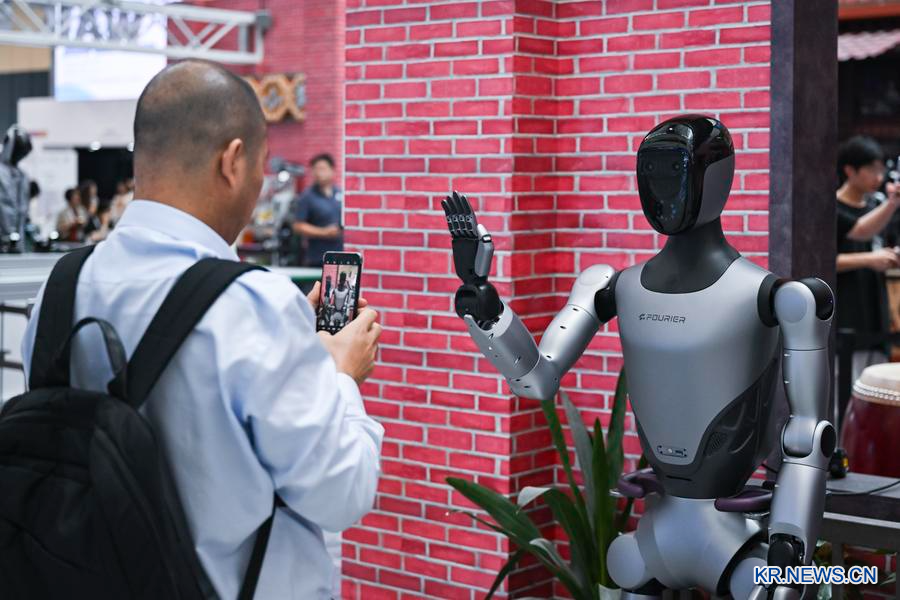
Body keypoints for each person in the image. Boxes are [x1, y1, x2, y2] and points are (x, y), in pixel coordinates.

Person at [22, 60, 383, 600]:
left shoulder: (60, 287)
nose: (261, 184)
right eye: (261, 164)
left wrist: (294, 348)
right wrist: (339, 376)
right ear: (232, 161)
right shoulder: (255, 306)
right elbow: (341, 493)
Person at [835, 135, 900, 380]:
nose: (879, 177)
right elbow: (824, 261)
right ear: (850, 170)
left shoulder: (876, 206)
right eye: (872, 169)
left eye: (881, 169)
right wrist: (870, 259)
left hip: (875, 313)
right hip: (846, 313)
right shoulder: (831, 208)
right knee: (846, 388)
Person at [290, 153, 343, 266]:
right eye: (316, 169)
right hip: (318, 258)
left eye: (322, 169)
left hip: (342, 255)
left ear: (332, 170)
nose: (319, 173)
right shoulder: (307, 196)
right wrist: (324, 232)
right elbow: (298, 226)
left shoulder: (341, 193)